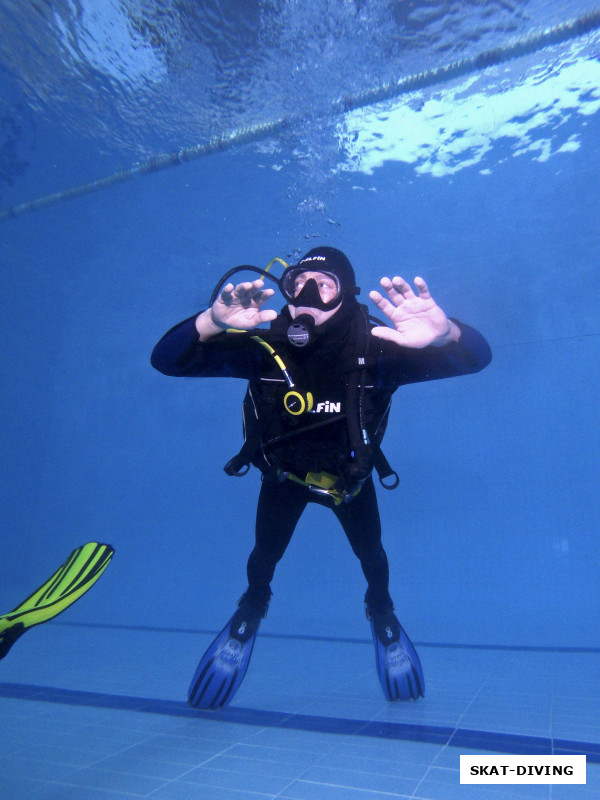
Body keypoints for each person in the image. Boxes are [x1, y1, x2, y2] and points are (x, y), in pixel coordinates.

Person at [151, 246, 491, 705]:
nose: (308, 295)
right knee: (264, 556)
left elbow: (475, 358)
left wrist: (445, 332)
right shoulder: (264, 345)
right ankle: (251, 608)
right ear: (286, 291)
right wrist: (211, 323)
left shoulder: (380, 350)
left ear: (347, 296)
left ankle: (382, 613)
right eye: (298, 284)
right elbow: (167, 360)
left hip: (349, 483)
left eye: (325, 286)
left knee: (371, 553)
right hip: (282, 479)